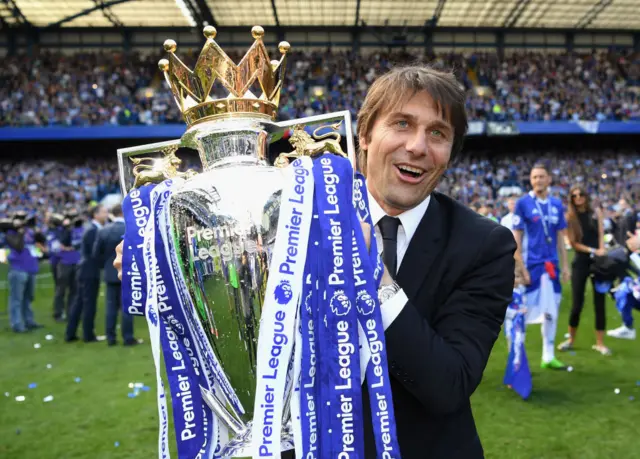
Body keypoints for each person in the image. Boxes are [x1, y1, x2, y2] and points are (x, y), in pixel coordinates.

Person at [114, 65, 516, 458]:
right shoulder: (288, 215)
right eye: (401, 124)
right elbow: (232, 319)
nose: (417, 146)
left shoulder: (484, 244)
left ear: (450, 152)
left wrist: (373, 274)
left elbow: (449, 384)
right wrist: (166, 264)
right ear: (364, 134)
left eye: (438, 133)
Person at [513, 163, 570, 370]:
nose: (538, 180)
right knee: (523, 311)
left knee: (551, 311)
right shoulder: (523, 203)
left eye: (541, 176)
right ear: (531, 180)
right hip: (532, 265)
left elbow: (560, 239)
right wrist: (521, 266)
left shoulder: (556, 204)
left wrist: (565, 266)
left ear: (548, 180)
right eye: (535, 177)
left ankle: (548, 355)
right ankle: (518, 357)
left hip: (551, 266)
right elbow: (516, 238)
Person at [556, 186, 610, 355]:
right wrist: (593, 251)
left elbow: (601, 233)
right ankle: (571, 340)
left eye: (581, 194)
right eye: (574, 195)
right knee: (577, 304)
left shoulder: (596, 213)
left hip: (599, 262)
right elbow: (573, 243)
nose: (578, 197)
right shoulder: (570, 217)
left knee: (599, 302)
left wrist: (601, 250)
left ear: (586, 196)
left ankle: (600, 343)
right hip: (581, 261)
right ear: (571, 198)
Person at [93, 204, 141, 346]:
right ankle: (128, 337)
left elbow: (96, 254)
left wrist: (106, 266)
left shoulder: (103, 230)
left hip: (109, 273)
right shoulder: (130, 229)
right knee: (127, 305)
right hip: (128, 272)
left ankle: (111, 338)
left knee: (111, 307)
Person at [65, 205, 109, 343]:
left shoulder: (92, 229)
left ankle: (70, 333)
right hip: (89, 271)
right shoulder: (92, 230)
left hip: (85, 270)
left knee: (79, 302)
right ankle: (88, 335)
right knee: (89, 303)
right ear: (95, 215)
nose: (106, 215)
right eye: (104, 212)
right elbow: (94, 253)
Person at [5, 216, 44, 333]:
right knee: (16, 298)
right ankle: (16, 324)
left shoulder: (30, 232)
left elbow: (42, 240)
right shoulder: (9, 234)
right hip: (18, 269)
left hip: (31, 268)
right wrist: (20, 233)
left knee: (28, 297)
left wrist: (36, 231)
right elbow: (18, 246)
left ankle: (29, 320)